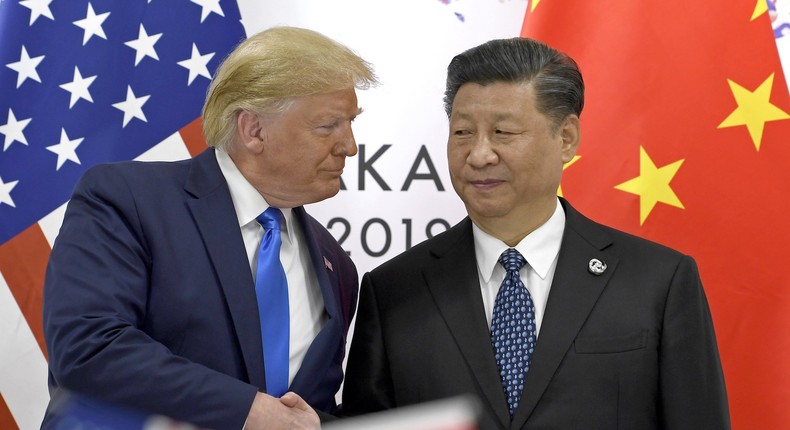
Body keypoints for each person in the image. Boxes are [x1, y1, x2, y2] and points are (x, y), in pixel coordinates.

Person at [341, 37, 730, 429]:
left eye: (503, 132)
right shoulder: (394, 291)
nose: (479, 155)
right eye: (462, 133)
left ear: (566, 138)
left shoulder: (657, 281)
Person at [42, 26, 377, 430]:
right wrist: (249, 411)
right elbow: (89, 348)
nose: (350, 146)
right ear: (253, 130)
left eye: (351, 123)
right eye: (328, 126)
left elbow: (304, 413)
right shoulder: (128, 200)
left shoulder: (336, 265)